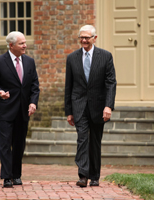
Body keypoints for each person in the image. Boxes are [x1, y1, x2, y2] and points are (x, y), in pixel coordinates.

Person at [65, 25, 116, 187]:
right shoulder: (72, 58)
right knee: (82, 139)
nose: (84, 40)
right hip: (79, 105)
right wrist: (69, 111)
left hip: (98, 106)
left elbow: (110, 83)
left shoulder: (106, 56)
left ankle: (94, 176)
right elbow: (69, 86)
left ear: (95, 38)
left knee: (95, 141)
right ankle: (83, 175)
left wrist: (108, 106)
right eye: (81, 37)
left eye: (87, 37)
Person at [0, 31, 40, 188]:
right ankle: (7, 177)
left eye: (25, 42)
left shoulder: (29, 62)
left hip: (23, 110)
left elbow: (34, 86)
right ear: (11, 45)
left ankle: (16, 175)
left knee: (19, 144)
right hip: (5, 110)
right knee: (5, 143)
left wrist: (33, 103)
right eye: (21, 43)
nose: (25, 45)